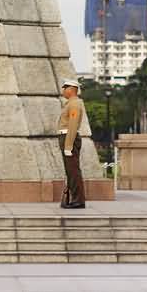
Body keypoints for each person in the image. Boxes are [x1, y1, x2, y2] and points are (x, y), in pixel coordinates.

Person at [58, 79, 87, 208]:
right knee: (70, 170)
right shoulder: (71, 103)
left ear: (71, 89)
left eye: (65, 88)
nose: (63, 91)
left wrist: (68, 145)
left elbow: (73, 125)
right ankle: (74, 198)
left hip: (69, 137)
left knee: (73, 170)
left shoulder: (74, 104)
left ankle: (78, 200)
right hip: (67, 136)